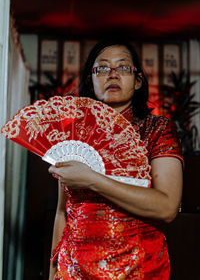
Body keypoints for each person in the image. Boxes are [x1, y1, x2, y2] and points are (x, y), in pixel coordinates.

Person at [48, 39, 183, 279]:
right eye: (102, 68)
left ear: (137, 80)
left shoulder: (157, 129)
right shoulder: (73, 135)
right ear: (91, 80)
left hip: (137, 269)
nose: (112, 75)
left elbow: (167, 207)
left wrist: (92, 180)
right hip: (73, 269)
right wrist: (53, 271)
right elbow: (62, 212)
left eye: (123, 68)